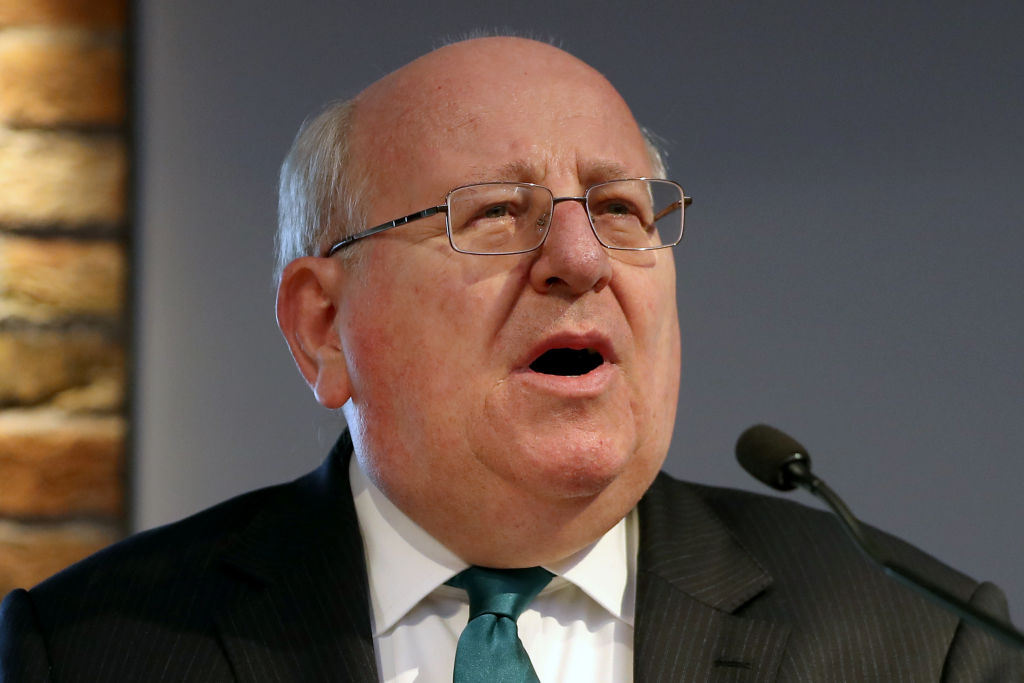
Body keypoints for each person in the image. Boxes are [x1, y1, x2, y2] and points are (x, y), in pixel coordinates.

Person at [1, 36, 1020, 682]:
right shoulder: (91, 649)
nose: (581, 258)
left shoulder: (918, 644)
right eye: (493, 214)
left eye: (619, 209)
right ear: (322, 324)